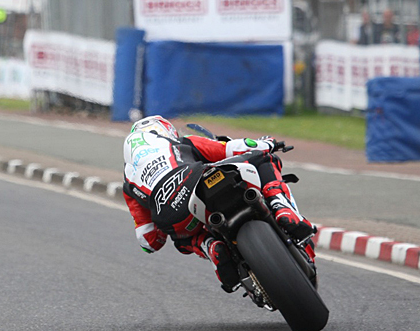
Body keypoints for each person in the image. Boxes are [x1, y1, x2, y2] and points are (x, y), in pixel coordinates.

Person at [122, 115, 315, 293]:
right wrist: (267, 143)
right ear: (166, 132)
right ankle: (282, 208)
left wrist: (161, 221)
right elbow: (232, 148)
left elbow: (148, 241)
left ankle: (209, 245)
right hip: (195, 178)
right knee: (264, 159)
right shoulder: (182, 142)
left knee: (182, 239)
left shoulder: (129, 183)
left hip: (174, 216)